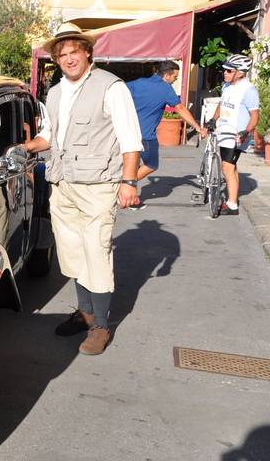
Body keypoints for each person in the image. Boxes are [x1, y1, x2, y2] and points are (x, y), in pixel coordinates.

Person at [21, 22, 143, 356]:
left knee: (97, 252)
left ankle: (101, 326)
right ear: (56, 59)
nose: (69, 59)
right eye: (62, 54)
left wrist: (129, 182)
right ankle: (85, 311)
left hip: (99, 186)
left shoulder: (110, 87)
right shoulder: (56, 91)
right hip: (63, 184)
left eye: (74, 52)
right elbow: (51, 136)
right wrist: (25, 146)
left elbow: (131, 139)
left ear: (87, 52)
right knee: (73, 252)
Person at [125, 60, 206, 209]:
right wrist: (197, 127)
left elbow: (120, 95)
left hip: (127, 134)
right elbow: (180, 108)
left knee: (133, 164)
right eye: (175, 77)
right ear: (167, 75)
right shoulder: (165, 89)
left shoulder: (139, 82)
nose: (175, 80)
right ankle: (125, 186)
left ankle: (132, 200)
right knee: (151, 164)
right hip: (146, 136)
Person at [210, 53, 259, 216]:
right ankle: (232, 199)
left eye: (229, 71)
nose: (225, 73)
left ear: (240, 72)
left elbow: (255, 116)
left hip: (237, 135)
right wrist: (212, 119)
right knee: (231, 168)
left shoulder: (249, 90)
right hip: (223, 131)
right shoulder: (226, 86)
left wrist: (246, 131)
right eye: (225, 70)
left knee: (227, 167)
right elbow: (222, 104)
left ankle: (232, 205)